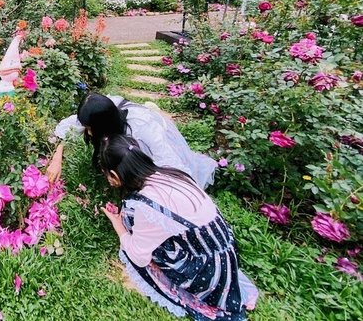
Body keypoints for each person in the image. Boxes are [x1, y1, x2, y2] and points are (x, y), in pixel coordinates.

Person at [99, 134, 258, 320]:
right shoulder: (170, 172)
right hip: (223, 248)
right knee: (131, 215)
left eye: (106, 174)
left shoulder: (148, 206)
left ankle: (210, 292)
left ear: (115, 175)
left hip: (208, 267)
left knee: (135, 239)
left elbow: (139, 256)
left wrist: (118, 225)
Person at [48, 92, 217, 189]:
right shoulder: (104, 108)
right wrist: (57, 159)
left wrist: (127, 179)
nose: (89, 133)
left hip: (157, 147)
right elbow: (67, 128)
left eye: (91, 128)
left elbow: (171, 165)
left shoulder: (142, 131)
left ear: (104, 124)